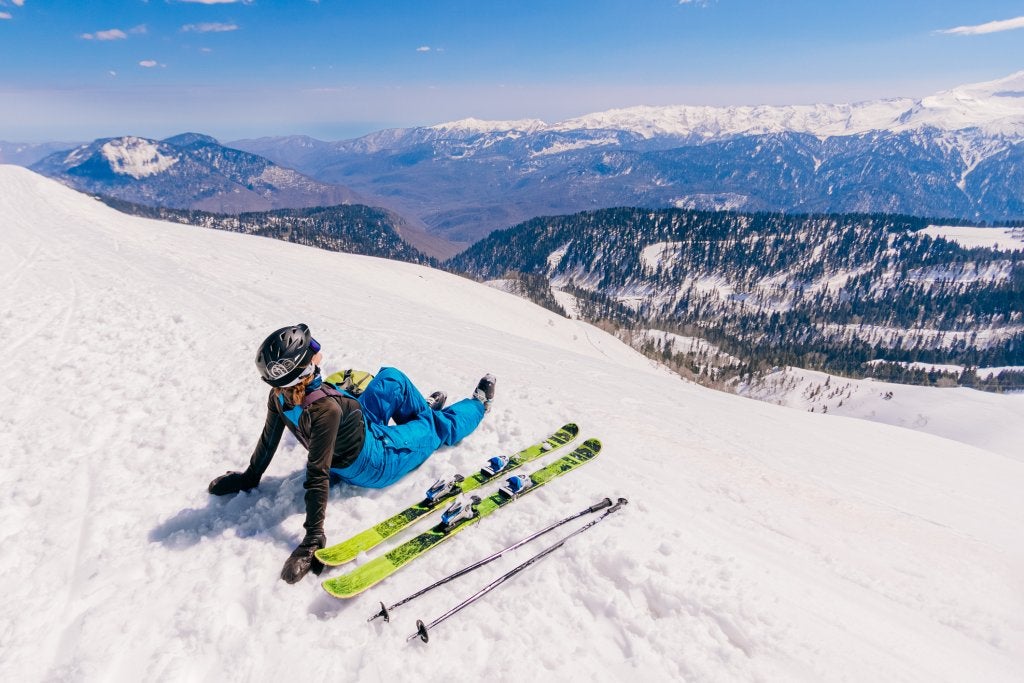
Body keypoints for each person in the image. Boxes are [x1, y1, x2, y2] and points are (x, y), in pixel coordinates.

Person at [208, 323, 495, 583]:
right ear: (305, 368)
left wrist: (250, 476)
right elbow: (317, 474)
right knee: (435, 427)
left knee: (392, 378)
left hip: (360, 426)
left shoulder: (281, 396)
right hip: (378, 459)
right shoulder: (325, 410)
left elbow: (269, 438)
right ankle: (474, 406)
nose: (318, 350)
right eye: (313, 349)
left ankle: (422, 413)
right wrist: (312, 539)